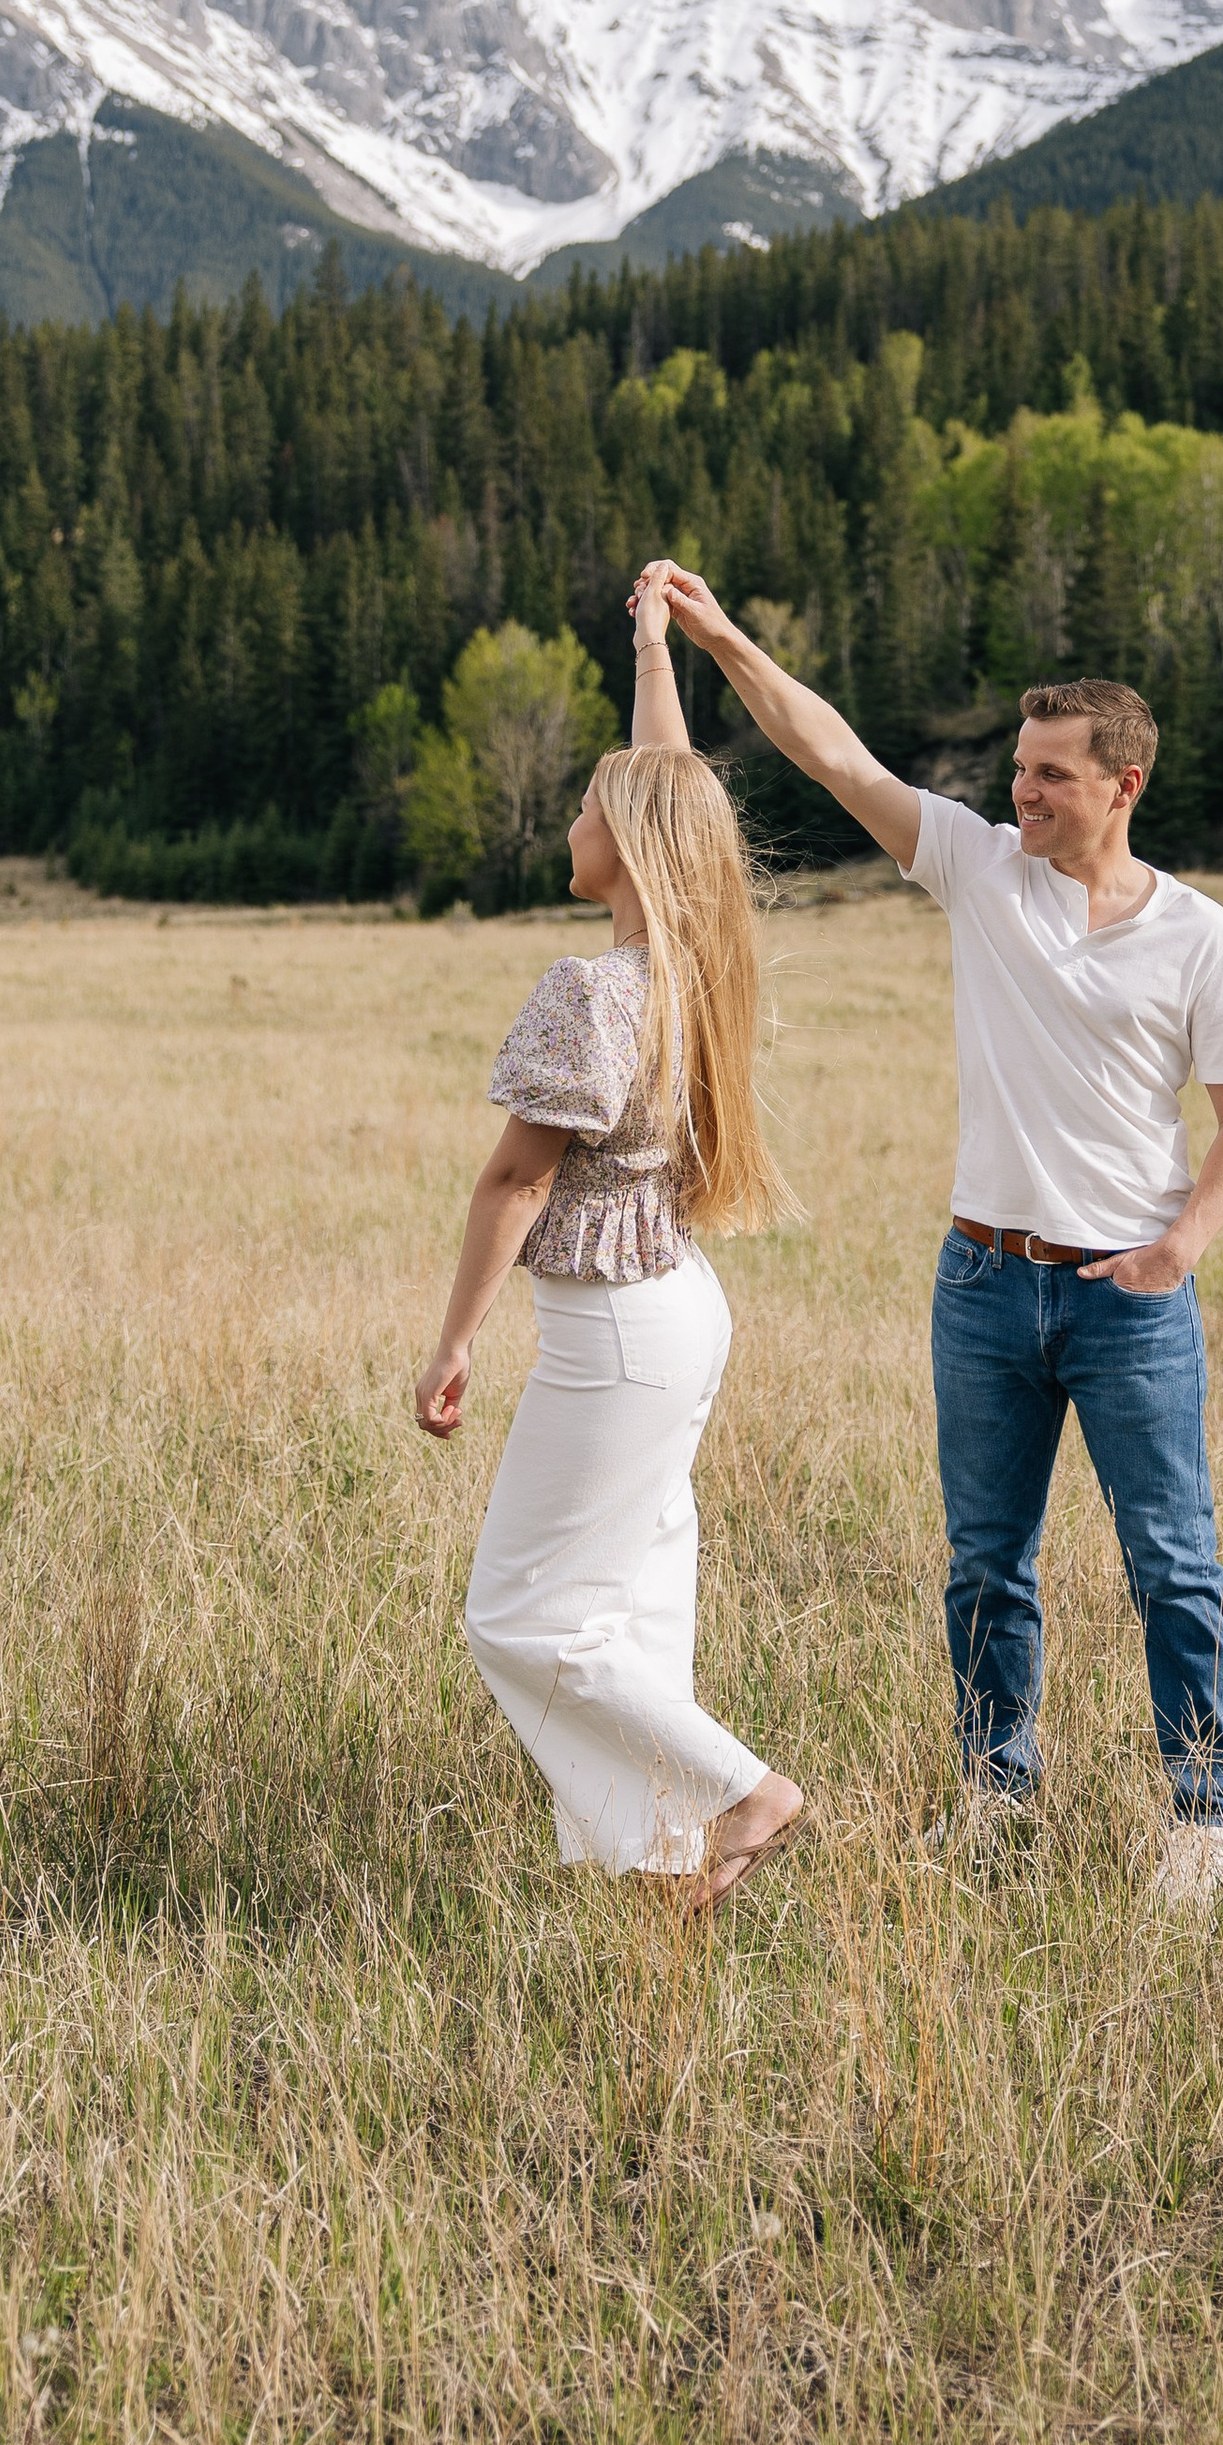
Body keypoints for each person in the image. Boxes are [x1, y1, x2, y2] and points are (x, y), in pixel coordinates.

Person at [644, 567, 1223, 1906]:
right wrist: (718, 638)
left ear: (1125, 785)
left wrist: (1178, 1251)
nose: (1020, 794)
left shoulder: (1203, 941)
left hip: (1127, 1301)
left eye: (1049, 775)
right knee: (987, 1561)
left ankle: (1204, 1819)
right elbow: (831, 757)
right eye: (1019, 770)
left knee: (1171, 1560)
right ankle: (996, 1790)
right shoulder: (983, 871)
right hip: (984, 1280)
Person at [413, 566, 804, 1906]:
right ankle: (660, 1855)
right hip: (679, 1307)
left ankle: (743, 1792)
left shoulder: (593, 990)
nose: (571, 822)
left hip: (619, 1333)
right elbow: (671, 788)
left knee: (520, 1615)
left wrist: (451, 1343)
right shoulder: (698, 968)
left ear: (625, 848)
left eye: (586, 808)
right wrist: (652, 649)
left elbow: (514, 1182)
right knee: (636, 1596)